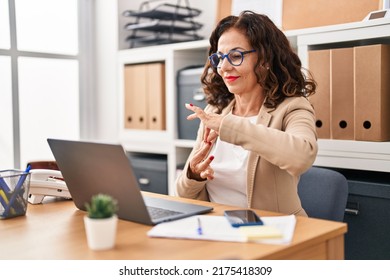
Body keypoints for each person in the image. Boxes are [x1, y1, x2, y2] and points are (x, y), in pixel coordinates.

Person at [175, 11, 318, 216]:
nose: (223, 67)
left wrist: (229, 126)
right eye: (220, 58)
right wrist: (194, 175)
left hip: (273, 232)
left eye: (235, 56)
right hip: (216, 229)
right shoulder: (214, 111)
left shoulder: (292, 107)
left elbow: (302, 156)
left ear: (265, 59)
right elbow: (181, 194)